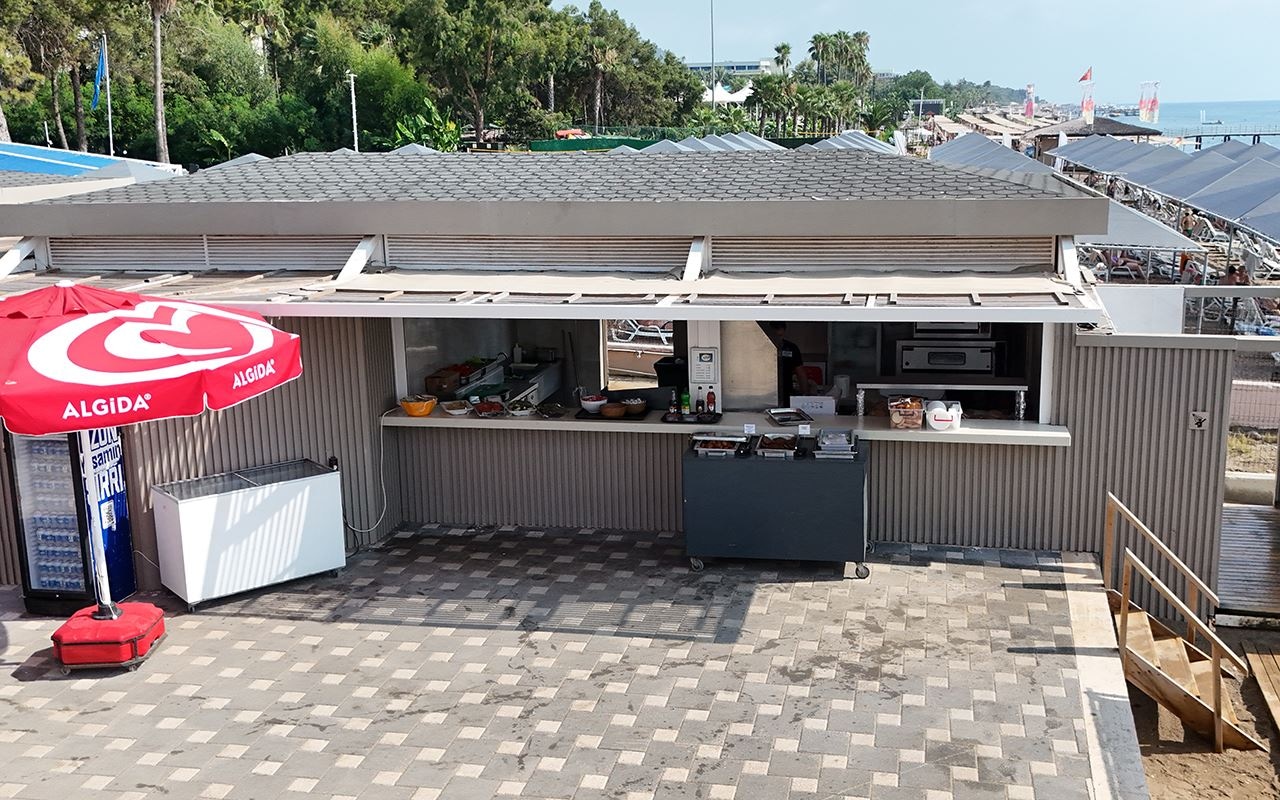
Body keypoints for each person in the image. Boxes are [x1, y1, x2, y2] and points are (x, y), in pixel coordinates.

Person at [759, 322, 813, 407]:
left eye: (780, 336)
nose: (777, 339)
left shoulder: (791, 348)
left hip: (786, 393)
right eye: (775, 336)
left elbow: (800, 373)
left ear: (784, 332)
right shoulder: (762, 348)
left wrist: (805, 395)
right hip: (764, 393)